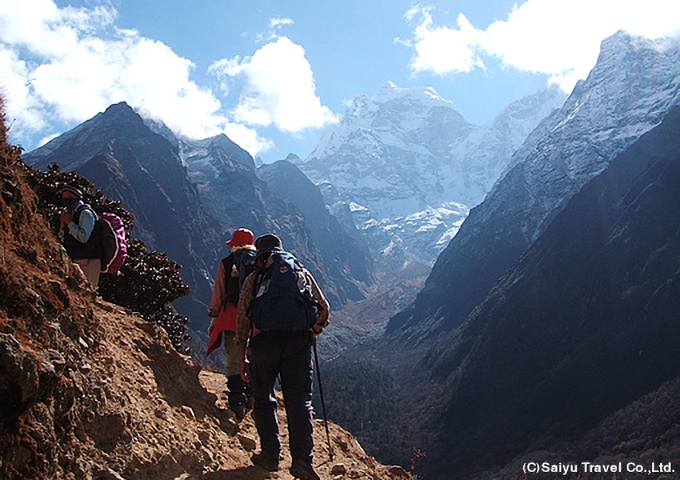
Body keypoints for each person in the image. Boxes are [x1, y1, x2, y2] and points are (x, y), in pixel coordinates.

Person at [236, 234, 330, 480]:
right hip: (298, 343)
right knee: (299, 401)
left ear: (260, 255)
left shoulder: (255, 278)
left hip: (263, 342)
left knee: (263, 396)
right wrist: (312, 330)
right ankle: (301, 461)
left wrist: (241, 356)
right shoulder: (300, 273)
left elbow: (243, 319)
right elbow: (323, 309)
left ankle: (270, 454)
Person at [208, 228, 256, 420]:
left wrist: (214, 318)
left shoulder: (227, 264)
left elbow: (219, 292)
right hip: (255, 320)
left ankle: (237, 402)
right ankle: (252, 396)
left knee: (234, 361)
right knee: (252, 358)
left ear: (234, 245)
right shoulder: (261, 262)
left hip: (231, 318)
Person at [58, 181, 101, 288]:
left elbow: (83, 237)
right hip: (76, 259)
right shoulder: (71, 214)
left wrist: (70, 223)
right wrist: (63, 227)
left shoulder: (85, 213)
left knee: (87, 292)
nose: (67, 199)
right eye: (65, 196)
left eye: (70, 196)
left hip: (89, 262)